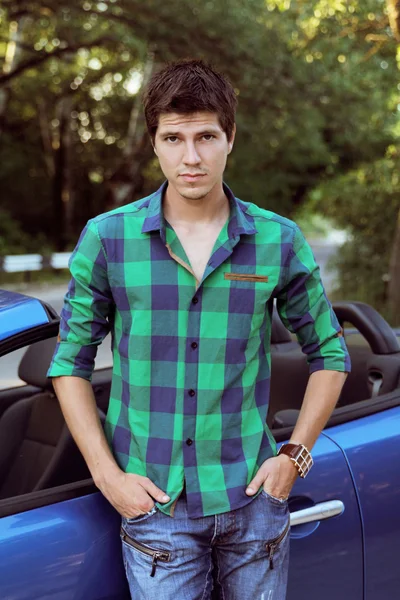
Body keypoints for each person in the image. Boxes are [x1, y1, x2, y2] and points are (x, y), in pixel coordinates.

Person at [47, 59, 351, 600]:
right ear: (154, 143)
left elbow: (330, 351)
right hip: (154, 508)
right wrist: (107, 477)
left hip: (254, 501)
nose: (191, 156)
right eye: (175, 138)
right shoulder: (108, 239)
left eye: (207, 136)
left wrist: (295, 457)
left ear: (230, 138)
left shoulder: (277, 240)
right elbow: (69, 362)